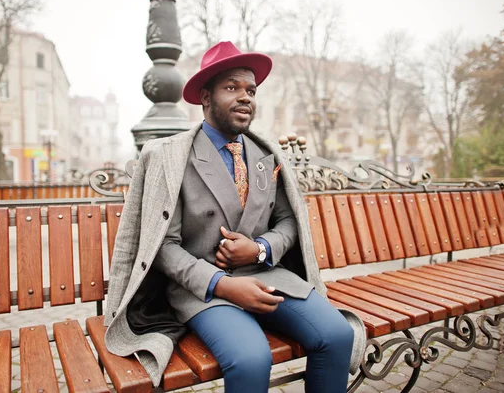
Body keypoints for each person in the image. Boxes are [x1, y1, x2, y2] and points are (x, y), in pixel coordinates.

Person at [104, 41, 366, 392]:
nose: (245, 97)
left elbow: (288, 223)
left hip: (266, 273)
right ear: (205, 97)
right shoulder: (171, 156)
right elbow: (162, 245)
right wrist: (223, 284)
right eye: (232, 88)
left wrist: (259, 249)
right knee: (251, 358)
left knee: (337, 334)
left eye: (251, 90)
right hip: (201, 288)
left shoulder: (266, 154)